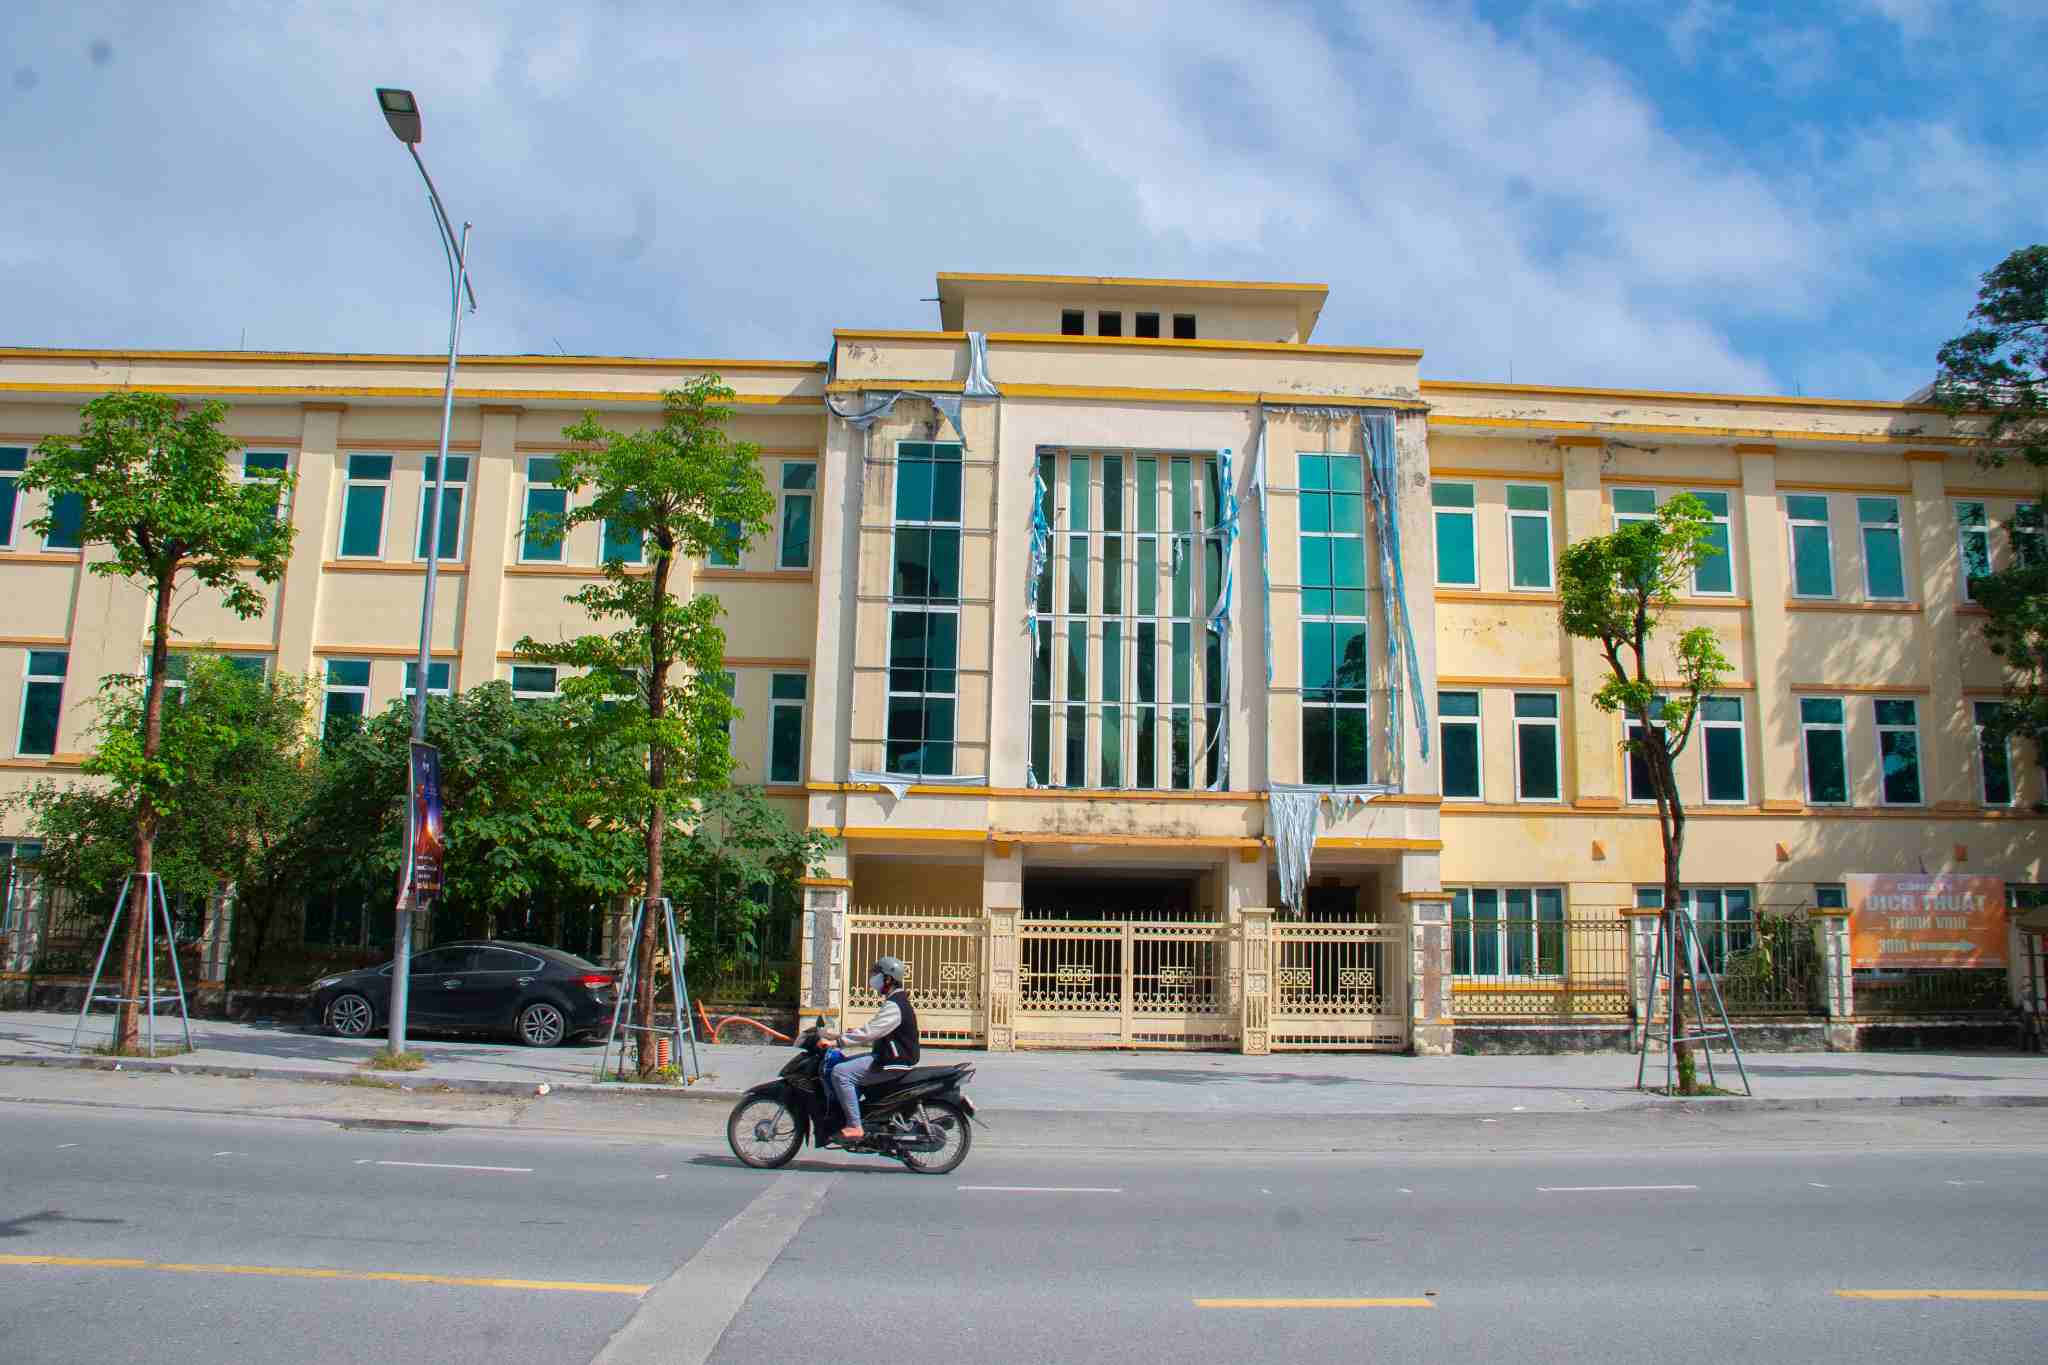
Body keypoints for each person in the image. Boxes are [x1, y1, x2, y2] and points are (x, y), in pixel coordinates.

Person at [822, 955, 920, 1141]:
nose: (873, 978)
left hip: (894, 1062)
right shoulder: (895, 1000)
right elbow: (873, 1029)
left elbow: (870, 1032)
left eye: (877, 974)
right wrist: (836, 1036)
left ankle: (854, 1125)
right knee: (847, 1063)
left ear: (888, 979)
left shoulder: (895, 1005)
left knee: (841, 1073)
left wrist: (837, 1042)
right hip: (890, 1056)